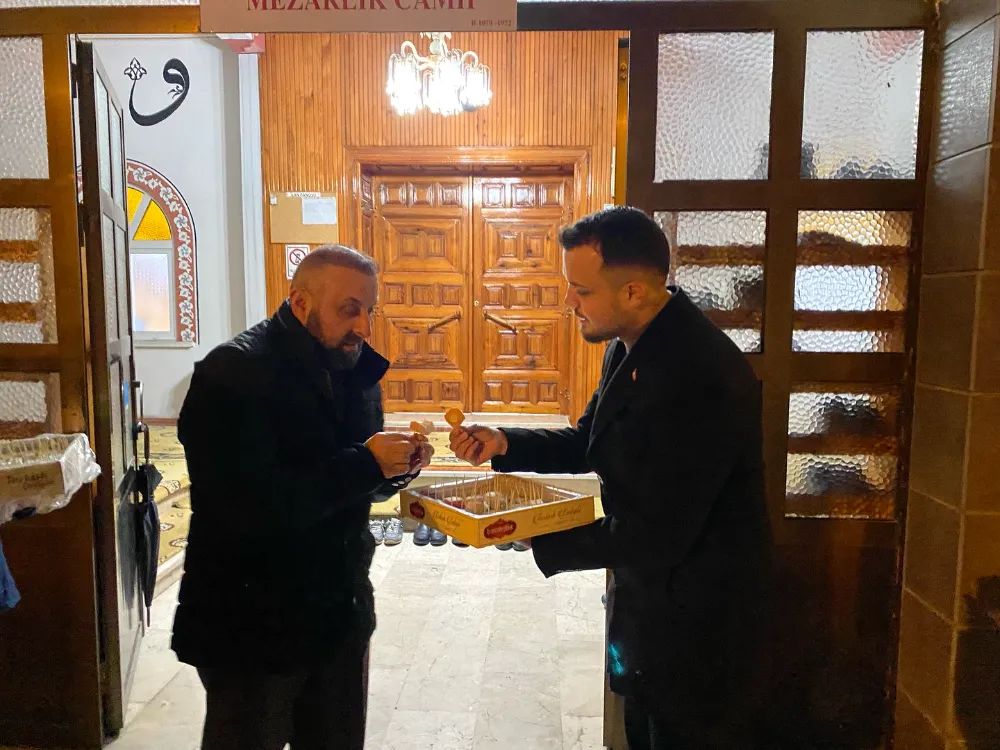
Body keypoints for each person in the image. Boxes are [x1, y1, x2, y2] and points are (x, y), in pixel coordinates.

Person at [450, 207, 773, 750]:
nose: (568, 302)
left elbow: (661, 534)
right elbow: (590, 442)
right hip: (651, 603)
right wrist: (504, 443)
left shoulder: (700, 373)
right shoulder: (632, 344)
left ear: (633, 292)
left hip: (702, 620)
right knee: (640, 726)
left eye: (581, 290)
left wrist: (533, 529)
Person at [172, 245, 432, 750]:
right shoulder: (234, 374)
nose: (364, 327)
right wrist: (367, 463)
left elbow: (355, 478)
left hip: (338, 613)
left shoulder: (353, 365)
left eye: (369, 311)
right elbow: (250, 506)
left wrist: (394, 467)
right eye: (349, 309)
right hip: (252, 623)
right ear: (300, 303)